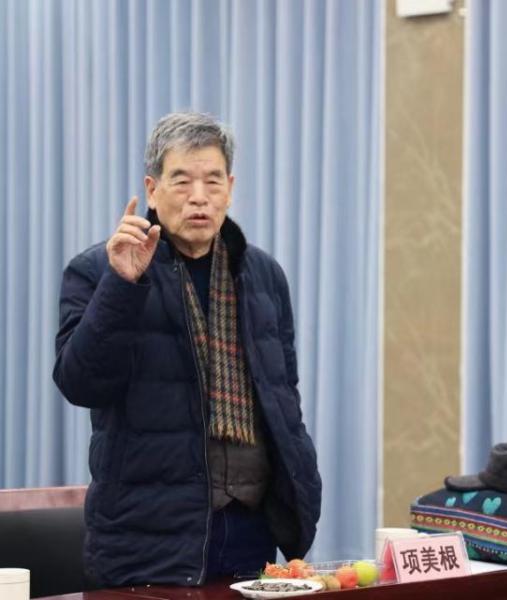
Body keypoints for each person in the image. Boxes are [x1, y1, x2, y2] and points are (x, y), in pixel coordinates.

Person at [53, 112, 322, 587]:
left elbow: (284, 399)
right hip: (146, 538)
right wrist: (121, 287)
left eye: (213, 180)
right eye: (181, 181)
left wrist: (302, 490)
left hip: (251, 528)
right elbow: (81, 384)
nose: (199, 196)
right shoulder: (100, 269)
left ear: (230, 188)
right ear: (152, 190)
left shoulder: (263, 275)